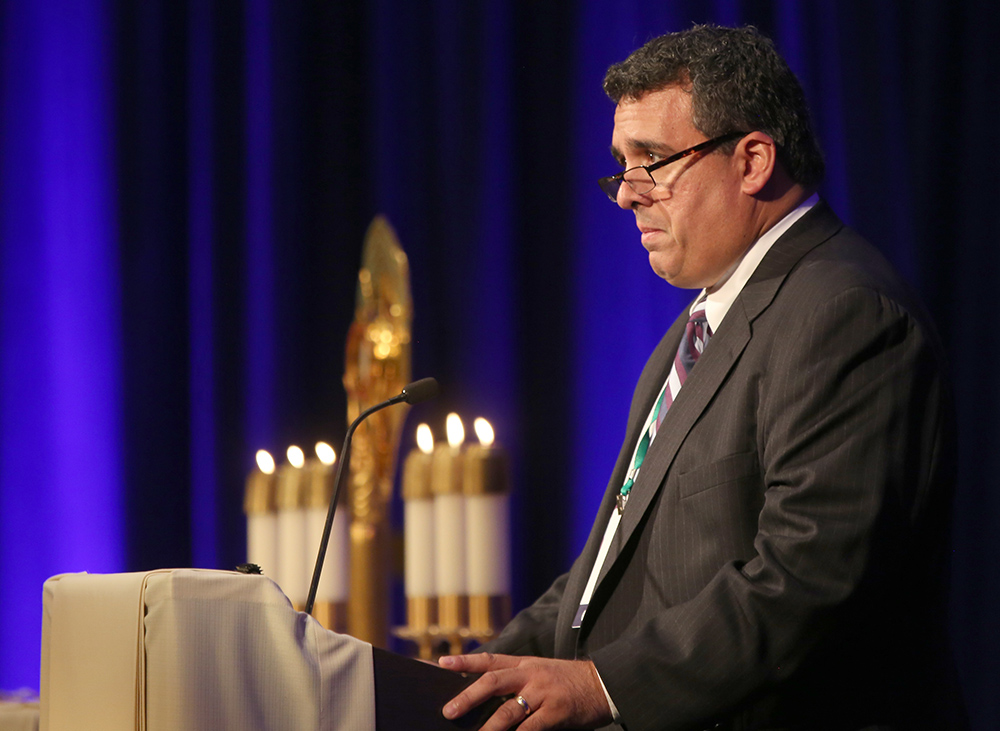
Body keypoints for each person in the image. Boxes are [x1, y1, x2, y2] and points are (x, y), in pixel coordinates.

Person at [440, 25, 965, 731]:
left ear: (752, 160)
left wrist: (601, 685)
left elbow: (808, 579)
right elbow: (614, 566)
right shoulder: (695, 331)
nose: (626, 194)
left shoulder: (845, 313)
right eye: (621, 163)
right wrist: (470, 680)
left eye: (651, 159)